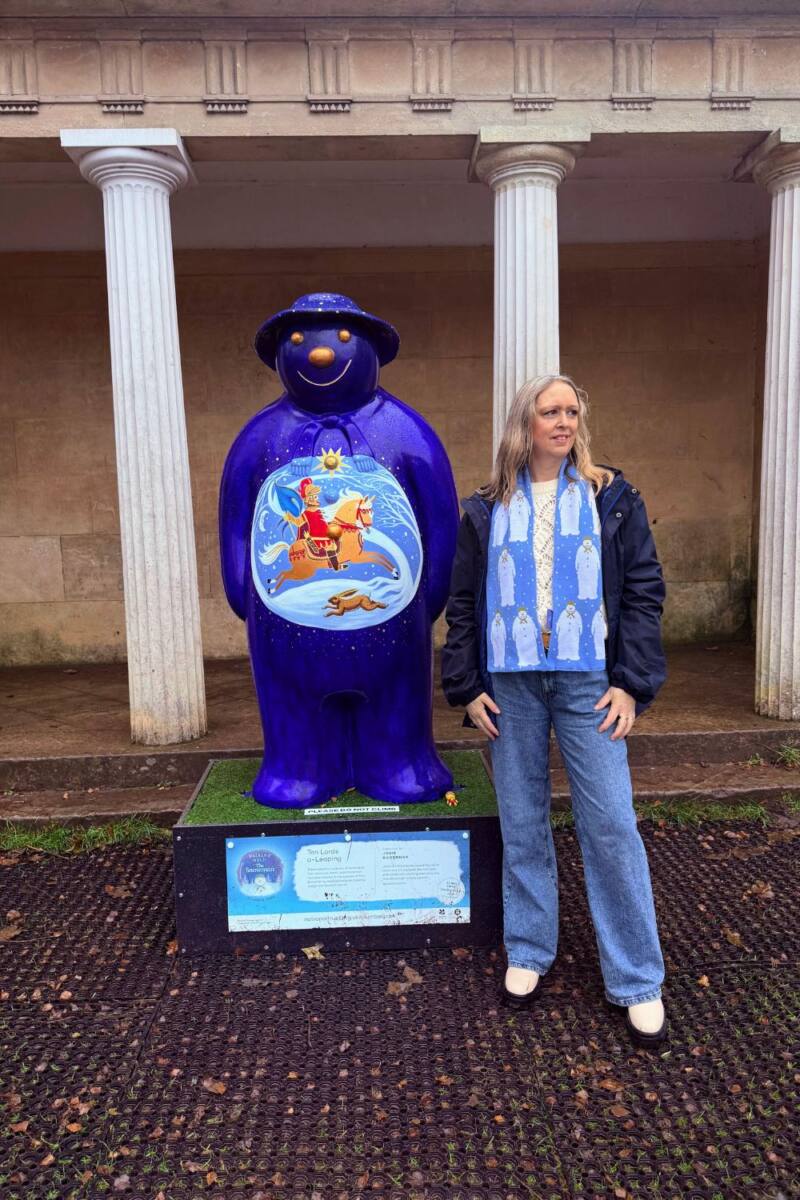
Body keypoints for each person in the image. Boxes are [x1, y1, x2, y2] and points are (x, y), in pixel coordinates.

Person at [441, 373, 668, 1051]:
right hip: (510, 685)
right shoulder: (487, 507)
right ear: (526, 423)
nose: (563, 421)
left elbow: (642, 592)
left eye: (572, 411)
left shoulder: (612, 497)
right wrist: (466, 684)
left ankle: (637, 979)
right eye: (550, 411)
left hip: (586, 681)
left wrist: (630, 683)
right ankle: (529, 950)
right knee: (522, 820)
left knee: (610, 825)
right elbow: (461, 606)